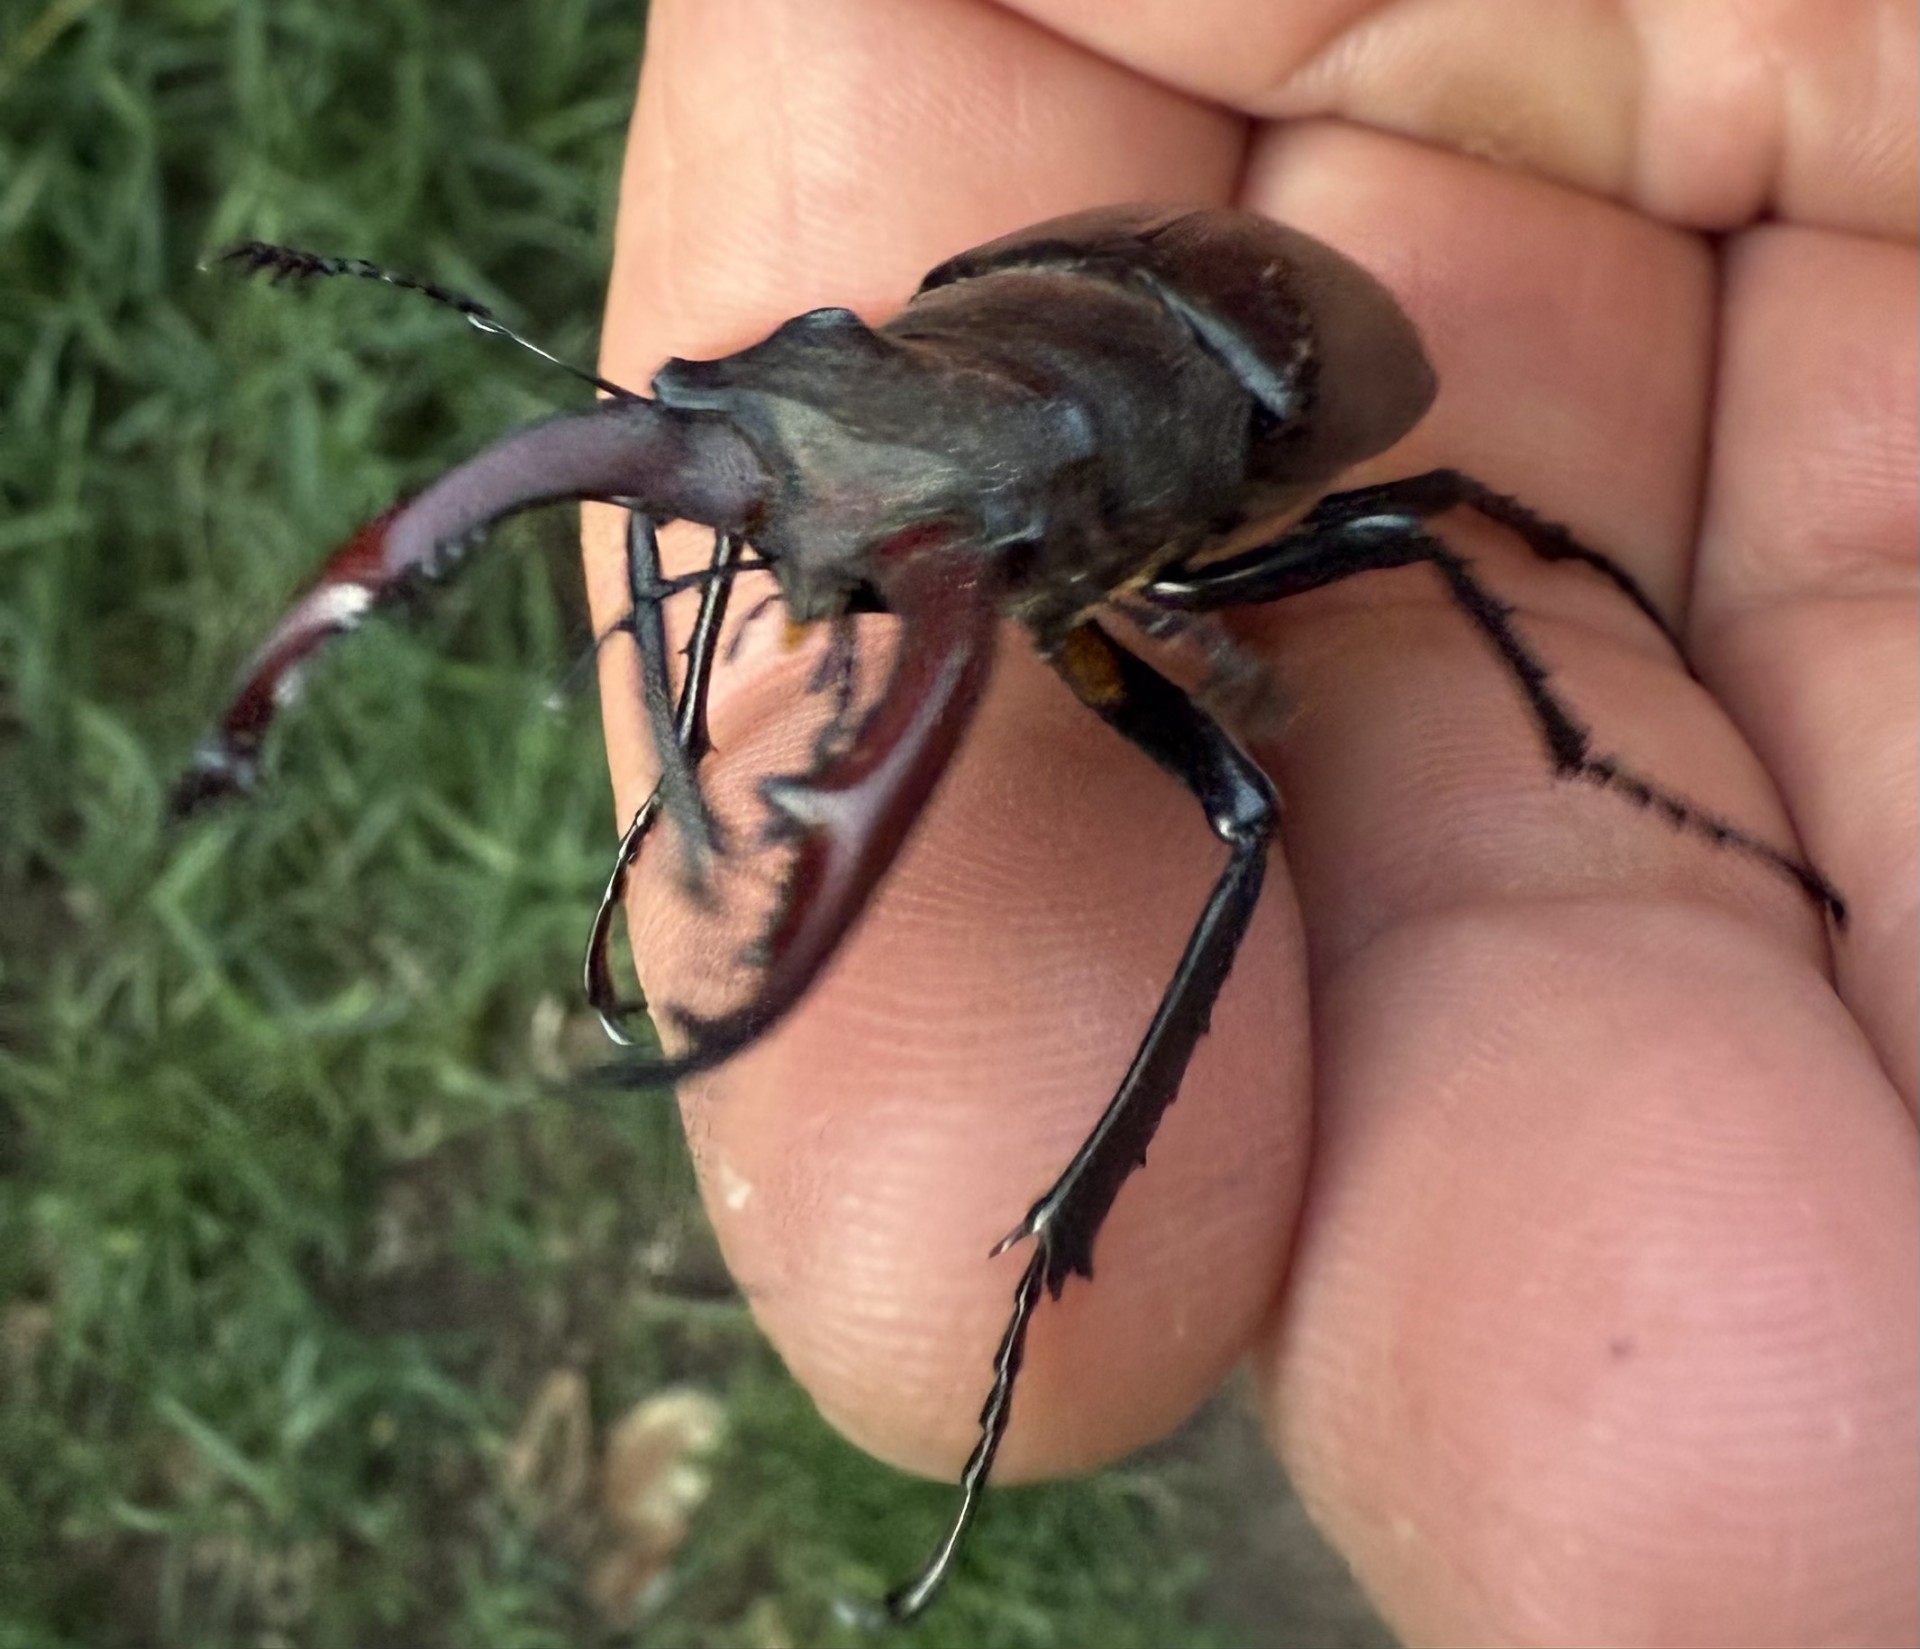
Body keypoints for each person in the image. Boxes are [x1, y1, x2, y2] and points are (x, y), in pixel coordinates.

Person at [587, 3, 1918, 1640]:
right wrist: (678, 770)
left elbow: (1420, 530)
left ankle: (1059, 1253)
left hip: (1249, 377)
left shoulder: (1184, 516)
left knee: (1283, 748)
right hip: (1070, 300)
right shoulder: (943, 343)